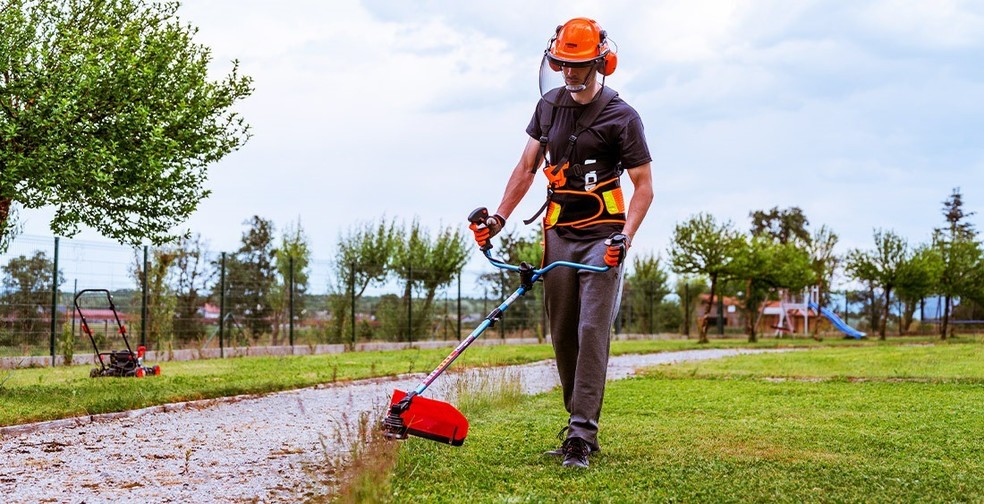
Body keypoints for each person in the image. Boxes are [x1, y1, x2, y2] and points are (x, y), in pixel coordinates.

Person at [470, 17, 653, 469]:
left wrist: (624, 239)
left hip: (602, 237)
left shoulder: (622, 117)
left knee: (592, 329)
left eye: (577, 65)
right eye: (561, 64)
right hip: (558, 233)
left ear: (600, 62)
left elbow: (644, 186)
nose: (568, 73)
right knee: (563, 334)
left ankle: (581, 437)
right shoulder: (548, 106)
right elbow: (527, 167)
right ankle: (578, 418)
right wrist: (498, 219)